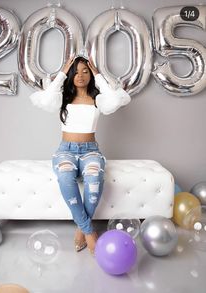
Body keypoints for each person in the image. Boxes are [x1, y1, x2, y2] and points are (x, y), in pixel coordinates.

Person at [30, 56, 131, 254]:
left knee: (94, 180)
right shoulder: (62, 98)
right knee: (66, 178)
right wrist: (61, 73)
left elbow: (115, 99)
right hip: (66, 151)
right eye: (75, 71)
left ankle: (80, 229)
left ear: (91, 74)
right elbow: (44, 98)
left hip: (90, 151)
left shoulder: (98, 98)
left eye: (85, 71)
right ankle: (89, 231)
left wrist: (99, 75)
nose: (80, 75)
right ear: (70, 74)